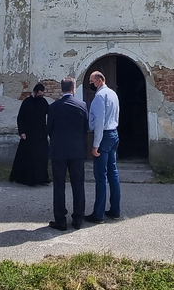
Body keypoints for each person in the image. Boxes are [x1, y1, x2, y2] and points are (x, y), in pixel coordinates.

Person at [47, 77, 88, 231]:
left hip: (58, 150)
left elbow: (49, 128)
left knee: (59, 186)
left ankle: (60, 220)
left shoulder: (54, 107)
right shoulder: (82, 105)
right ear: (73, 89)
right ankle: (78, 219)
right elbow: (85, 127)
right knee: (78, 185)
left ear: (61, 88)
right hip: (76, 150)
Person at [85, 70, 121, 224]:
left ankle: (98, 214)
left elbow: (99, 122)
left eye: (92, 82)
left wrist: (95, 145)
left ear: (99, 80)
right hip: (114, 134)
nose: (91, 85)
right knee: (113, 173)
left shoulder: (99, 96)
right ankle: (115, 210)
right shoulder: (113, 93)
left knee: (101, 175)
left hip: (104, 136)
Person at [9, 82, 50, 186]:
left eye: (42, 95)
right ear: (35, 92)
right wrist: (22, 132)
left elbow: (50, 112)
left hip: (40, 134)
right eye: (39, 94)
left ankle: (41, 177)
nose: (41, 96)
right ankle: (26, 178)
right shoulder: (27, 102)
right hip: (28, 134)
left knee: (41, 157)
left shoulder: (43, 102)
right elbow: (20, 118)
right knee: (28, 157)